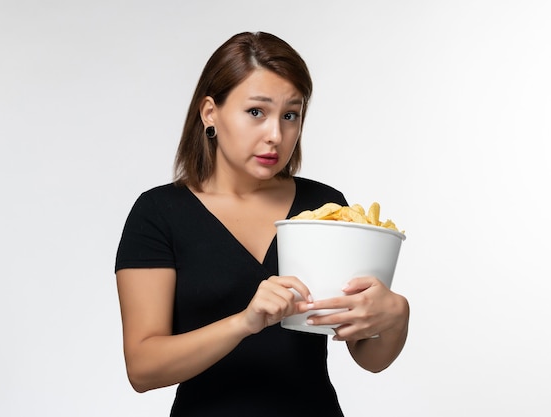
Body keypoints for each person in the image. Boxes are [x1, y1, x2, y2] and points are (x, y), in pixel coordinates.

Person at [115, 31, 409, 417]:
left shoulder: (324, 206)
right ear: (210, 113)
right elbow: (142, 368)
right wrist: (244, 322)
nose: (275, 135)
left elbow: (368, 356)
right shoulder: (158, 213)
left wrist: (395, 316)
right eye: (257, 112)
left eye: (290, 115)